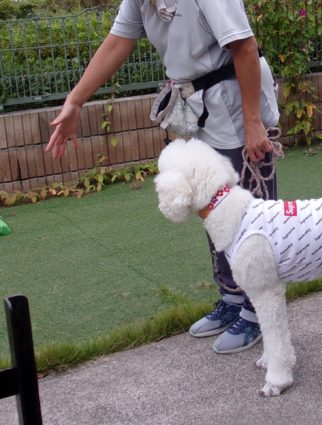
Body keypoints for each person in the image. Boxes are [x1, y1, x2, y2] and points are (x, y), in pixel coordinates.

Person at [46, 0, 280, 354]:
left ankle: (259, 309)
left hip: (236, 97)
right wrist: (75, 101)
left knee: (249, 211)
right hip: (199, 103)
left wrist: (253, 121)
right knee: (213, 207)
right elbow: (117, 42)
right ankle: (233, 297)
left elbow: (245, 46)